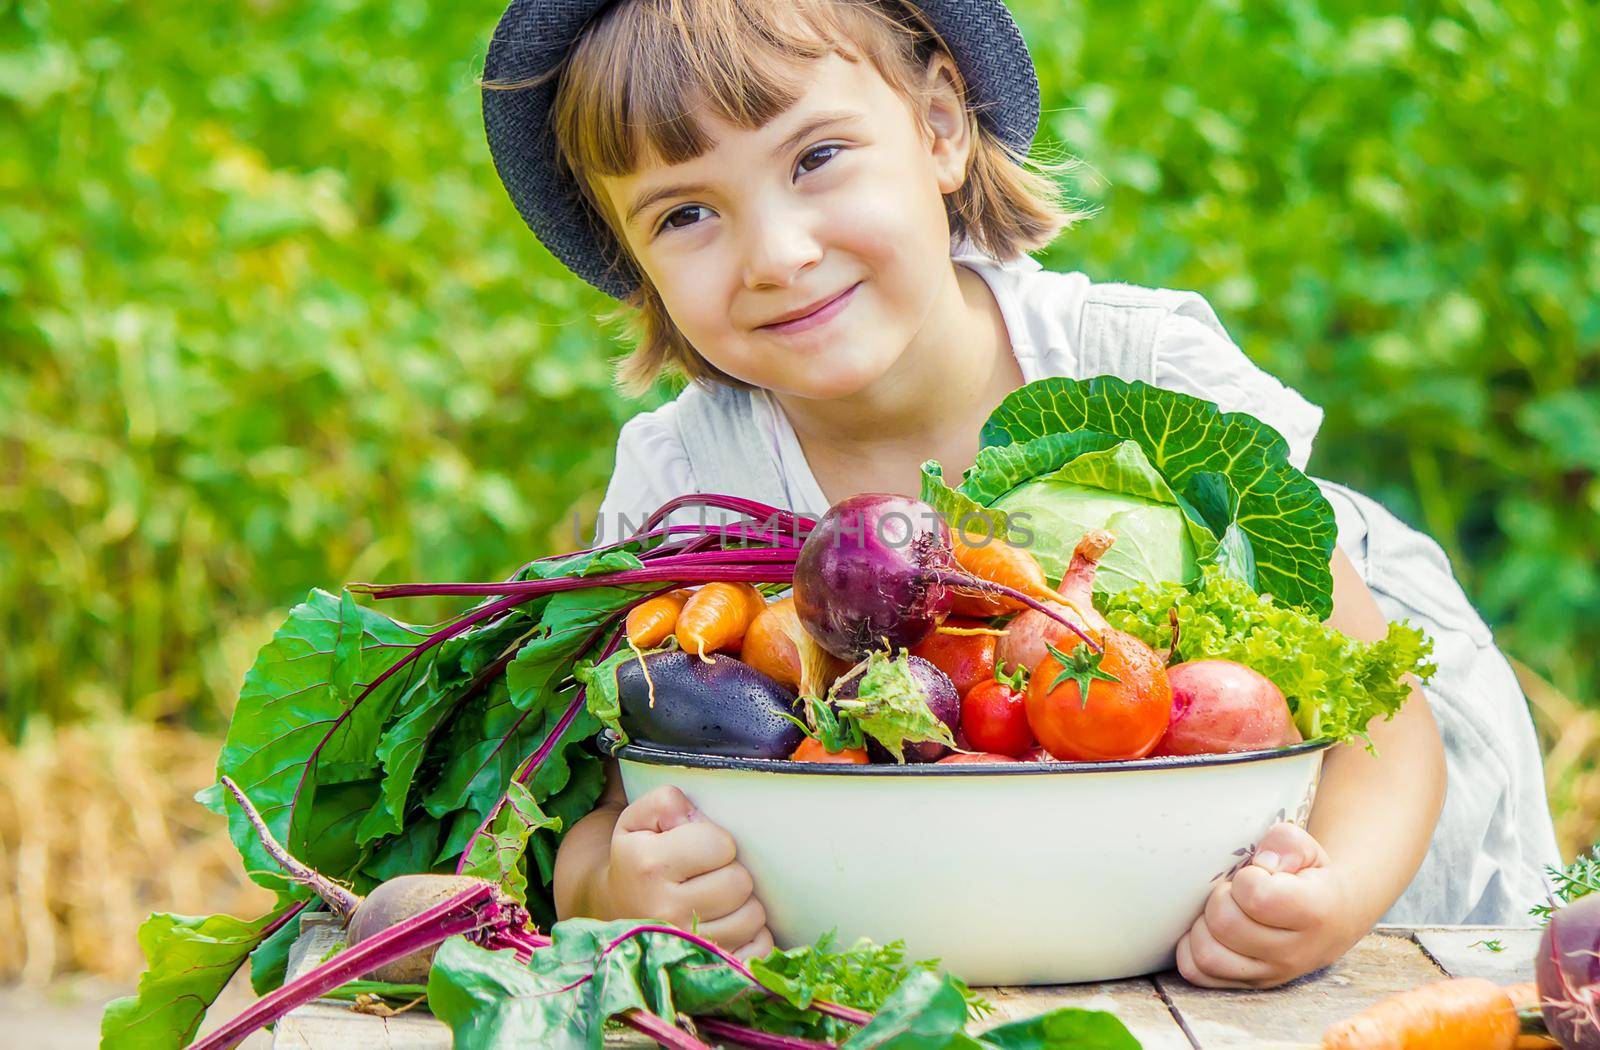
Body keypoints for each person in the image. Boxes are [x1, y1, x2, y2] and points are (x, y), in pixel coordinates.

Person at [480, 0, 1559, 987]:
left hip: (1305, 821)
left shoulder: (1134, 370)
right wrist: (618, 889)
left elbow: (1379, 724)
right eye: (683, 216)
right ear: (630, 256)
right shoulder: (682, 489)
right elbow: (613, 815)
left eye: (815, 157)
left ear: (940, 128)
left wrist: (1333, 899)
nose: (777, 252)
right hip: (1008, 901)